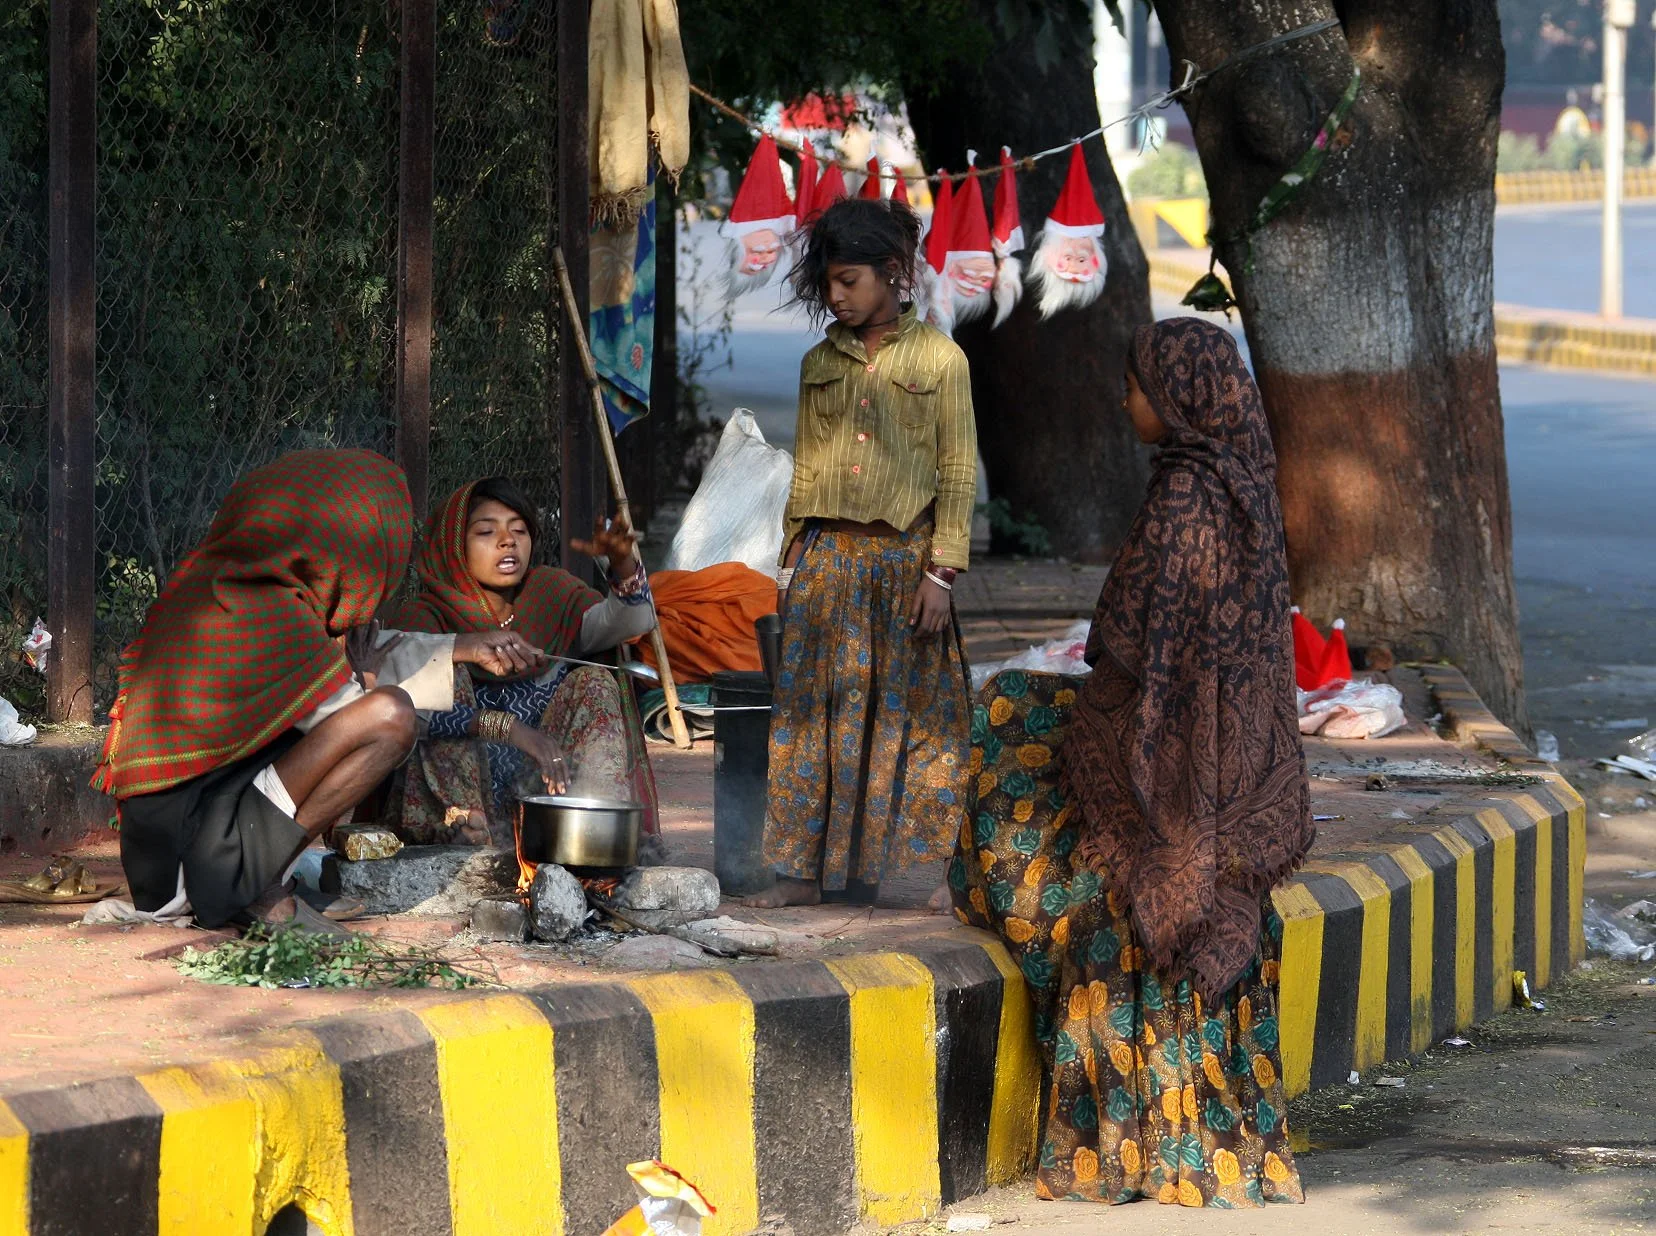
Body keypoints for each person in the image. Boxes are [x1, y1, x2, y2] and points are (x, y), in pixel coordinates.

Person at [950, 319, 1312, 1207]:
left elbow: (1136, 655)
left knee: (1006, 716)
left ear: (1178, 400)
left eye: (1137, 386)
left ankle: (1128, 1145)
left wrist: (1102, 712)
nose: (1125, 401)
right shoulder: (1246, 486)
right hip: (1234, 771)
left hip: (1172, 769)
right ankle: (1214, 1143)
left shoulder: (1183, 500)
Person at [97, 450, 542, 933]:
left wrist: (464, 647)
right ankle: (256, 886)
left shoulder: (230, 586)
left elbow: (352, 652)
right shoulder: (269, 613)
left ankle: (260, 877)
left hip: (174, 851)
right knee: (392, 717)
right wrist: (367, 682)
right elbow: (357, 705)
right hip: (195, 865)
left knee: (377, 705)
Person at [746, 196, 976, 909]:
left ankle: (927, 877)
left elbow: (957, 470)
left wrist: (942, 572)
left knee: (917, 721)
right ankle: (800, 877)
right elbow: (807, 466)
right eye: (828, 284)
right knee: (809, 718)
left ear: (894, 271)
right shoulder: (819, 363)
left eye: (849, 280)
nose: (837, 296)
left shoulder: (942, 358)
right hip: (826, 561)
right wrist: (789, 563)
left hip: (906, 566)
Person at [384, 477, 660, 846]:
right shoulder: (425, 618)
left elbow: (632, 621)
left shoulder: (552, 596)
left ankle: (596, 830)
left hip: (544, 792)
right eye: (486, 532)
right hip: (453, 807)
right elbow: (402, 715)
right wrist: (510, 728)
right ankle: (467, 830)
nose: (507, 541)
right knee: (443, 673)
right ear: (453, 547)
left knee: (595, 681)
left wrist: (623, 564)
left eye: (519, 530)